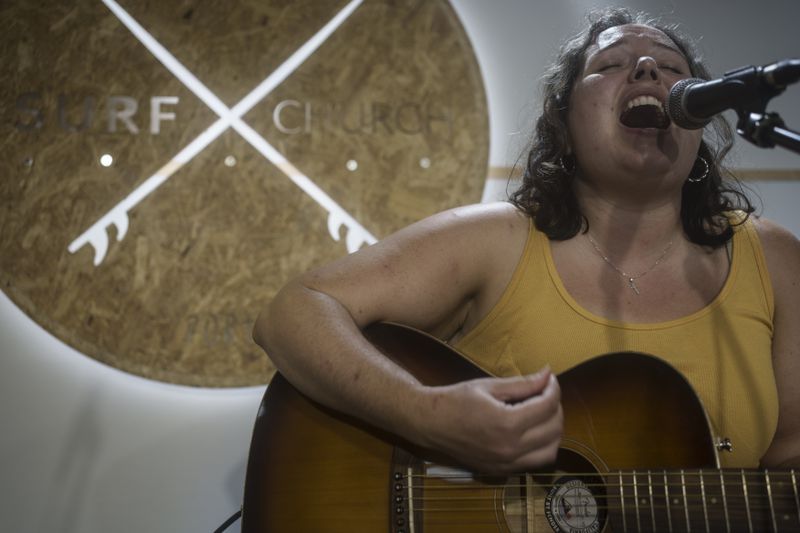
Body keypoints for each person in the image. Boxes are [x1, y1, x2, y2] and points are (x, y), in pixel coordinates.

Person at [252, 7, 800, 473]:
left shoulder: (772, 260)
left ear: (701, 118)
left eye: (673, 71)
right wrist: (426, 415)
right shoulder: (496, 240)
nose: (647, 68)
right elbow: (294, 311)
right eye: (610, 65)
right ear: (563, 119)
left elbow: (786, 463)